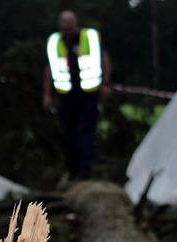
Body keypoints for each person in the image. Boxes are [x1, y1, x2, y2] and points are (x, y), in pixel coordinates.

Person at [43, 10, 111, 180]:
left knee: (87, 130)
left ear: (75, 24)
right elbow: (49, 68)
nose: (66, 28)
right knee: (68, 132)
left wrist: (106, 83)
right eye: (63, 25)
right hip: (66, 95)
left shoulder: (89, 38)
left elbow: (104, 59)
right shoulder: (55, 42)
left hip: (88, 92)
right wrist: (47, 94)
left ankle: (85, 169)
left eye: (69, 25)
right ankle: (72, 169)